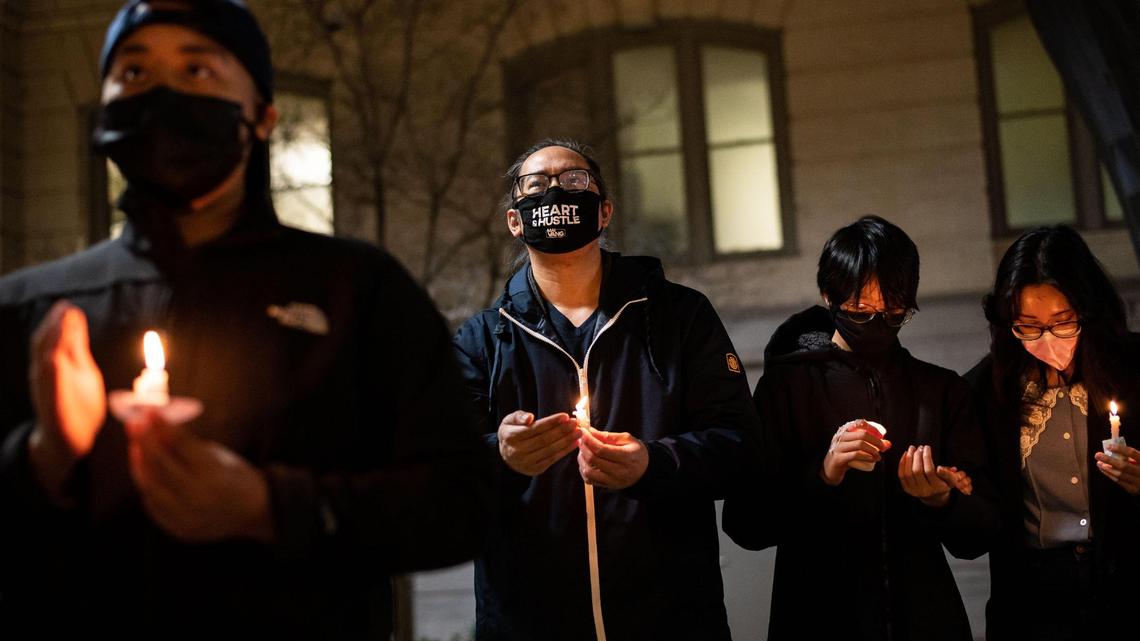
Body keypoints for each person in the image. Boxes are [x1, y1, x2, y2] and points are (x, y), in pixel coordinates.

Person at [0, 2, 492, 638]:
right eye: (134, 72)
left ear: (263, 116)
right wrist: (45, 456)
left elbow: (462, 504)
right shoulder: (30, 310)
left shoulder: (356, 291)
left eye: (197, 69)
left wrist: (272, 507)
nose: (162, 94)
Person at [453, 139, 763, 641]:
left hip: (672, 620)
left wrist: (653, 464)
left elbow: (742, 447)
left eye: (573, 180)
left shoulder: (680, 317)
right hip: (531, 625)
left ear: (604, 211)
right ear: (515, 220)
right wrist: (501, 459)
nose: (555, 190)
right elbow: (442, 482)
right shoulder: (481, 342)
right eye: (537, 184)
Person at [723, 215, 999, 641]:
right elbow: (746, 524)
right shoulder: (788, 386)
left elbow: (977, 537)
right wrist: (824, 472)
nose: (877, 327)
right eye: (860, 312)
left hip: (923, 617)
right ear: (828, 297)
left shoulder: (940, 390)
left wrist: (942, 499)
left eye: (894, 314)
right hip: (817, 617)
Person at [967, 225, 1140, 641]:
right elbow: (976, 525)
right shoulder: (984, 393)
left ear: (1088, 309)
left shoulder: (1133, 370)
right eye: (1028, 326)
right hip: (1034, 603)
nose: (1047, 340)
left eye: (1063, 322)